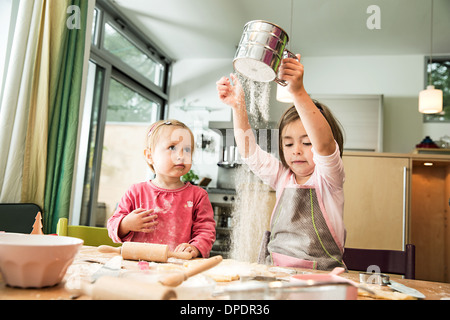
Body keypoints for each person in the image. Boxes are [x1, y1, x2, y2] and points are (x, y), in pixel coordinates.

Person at [216, 54, 345, 270]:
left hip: (321, 279)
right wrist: (238, 107)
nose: (296, 151)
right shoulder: (282, 176)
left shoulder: (329, 178)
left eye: (307, 142)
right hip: (275, 273)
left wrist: (298, 93)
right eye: (288, 144)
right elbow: (250, 153)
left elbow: (324, 146)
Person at [107, 120, 216, 258]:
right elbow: (112, 226)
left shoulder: (198, 195)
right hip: (138, 265)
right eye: (172, 147)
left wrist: (195, 247)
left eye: (187, 149)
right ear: (149, 156)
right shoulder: (135, 192)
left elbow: (206, 230)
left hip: (178, 265)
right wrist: (125, 224)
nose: (181, 155)